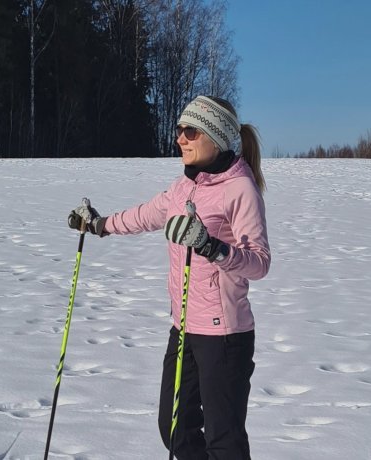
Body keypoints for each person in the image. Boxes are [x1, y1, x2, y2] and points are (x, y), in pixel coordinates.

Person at [67, 95, 270, 459]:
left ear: (216, 136)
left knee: (224, 442)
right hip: (183, 329)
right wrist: (98, 225)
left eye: (190, 131)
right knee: (174, 429)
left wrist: (213, 248)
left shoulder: (240, 189)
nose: (180, 138)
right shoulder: (183, 187)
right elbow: (145, 214)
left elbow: (259, 262)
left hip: (224, 336)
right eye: (179, 130)